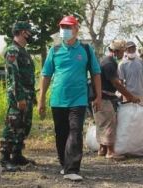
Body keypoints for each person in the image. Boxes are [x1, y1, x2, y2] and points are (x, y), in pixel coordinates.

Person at [38, 15, 101, 181]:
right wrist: (41, 99)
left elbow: (96, 73)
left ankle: (72, 168)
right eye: (62, 27)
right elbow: (45, 75)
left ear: (76, 29)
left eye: (68, 27)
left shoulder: (86, 50)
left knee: (75, 131)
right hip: (58, 99)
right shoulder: (55, 50)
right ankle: (64, 163)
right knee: (61, 133)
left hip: (78, 99)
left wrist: (98, 96)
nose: (64, 30)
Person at [0, 21, 36, 172]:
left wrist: (31, 96)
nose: (31, 34)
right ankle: (4, 159)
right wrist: (19, 97)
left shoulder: (23, 50)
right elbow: (13, 77)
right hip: (18, 96)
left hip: (27, 94)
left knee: (23, 126)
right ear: (22, 32)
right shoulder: (12, 50)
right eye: (29, 31)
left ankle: (17, 155)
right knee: (13, 126)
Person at [94, 40, 140, 159]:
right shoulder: (110, 63)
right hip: (104, 97)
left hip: (98, 96)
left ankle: (102, 149)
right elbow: (116, 83)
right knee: (110, 123)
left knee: (101, 123)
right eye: (122, 51)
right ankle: (110, 152)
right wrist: (130, 96)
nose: (123, 54)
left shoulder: (104, 61)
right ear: (115, 51)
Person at [118, 41, 143, 108]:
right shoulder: (122, 64)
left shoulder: (140, 61)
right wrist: (124, 95)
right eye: (129, 48)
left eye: (133, 48)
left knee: (142, 115)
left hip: (141, 94)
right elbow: (121, 82)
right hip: (129, 95)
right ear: (126, 50)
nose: (131, 50)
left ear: (135, 49)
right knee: (130, 116)